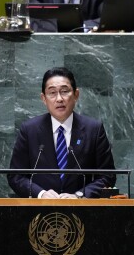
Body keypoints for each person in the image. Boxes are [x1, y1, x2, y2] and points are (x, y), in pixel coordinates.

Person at [8, 67, 116, 199]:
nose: (59, 99)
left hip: (83, 212)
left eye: (65, 91)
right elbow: (16, 175)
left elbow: (107, 175)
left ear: (76, 95)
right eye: (52, 93)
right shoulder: (29, 130)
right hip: (39, 211)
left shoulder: (94, 129)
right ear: (43, 98)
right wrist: (40, 194)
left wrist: (79, 196)